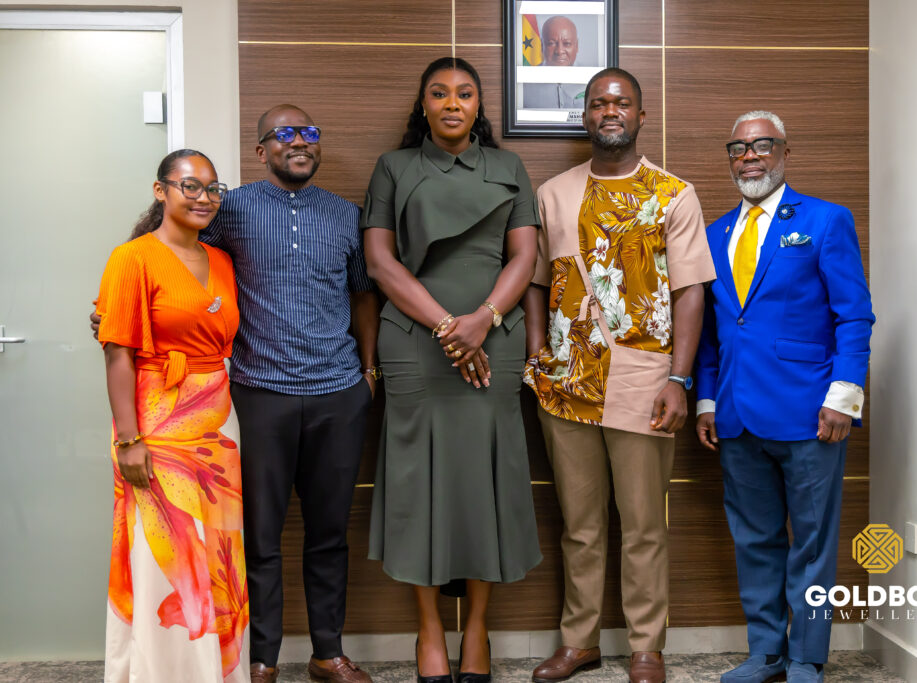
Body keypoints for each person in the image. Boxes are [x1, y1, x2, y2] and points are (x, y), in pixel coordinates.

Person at [94, 106, 379, 683]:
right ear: (261, 150)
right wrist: (110, 311)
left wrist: (368, 372)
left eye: (309, 133)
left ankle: (328, 653)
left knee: (329, 533)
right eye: (284, 134)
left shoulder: (346, 215)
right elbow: (168, 250)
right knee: (257, 536)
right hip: (258, 394)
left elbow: (363, 295)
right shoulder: (233, 209)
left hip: (338, 392)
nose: (299, 142)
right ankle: (260, 660)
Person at [524, 68, 716, 683]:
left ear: (640, 115)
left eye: (622, 102)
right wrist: (537, 355)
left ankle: (646, 648)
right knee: (579, 527)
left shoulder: (674, 194)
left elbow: (690, 292)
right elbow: (535, 283)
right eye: (599, 103)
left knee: (643, 526)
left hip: (645, 383)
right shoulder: (553, 193)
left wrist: (679, 380)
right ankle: (578, 642)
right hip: (566, 383)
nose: (610, 111)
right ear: (585, 115)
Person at [361, 56, 542, 683]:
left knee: (486, 478)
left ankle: (479, 629)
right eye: (438, 94)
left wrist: (482, 320)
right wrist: (448, 326)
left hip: (496, 339)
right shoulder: (394, 167)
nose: (452, 103)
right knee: (417, 482)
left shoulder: (509, 167)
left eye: (464, 94)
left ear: (478, 105)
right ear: (424, 105)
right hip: (415, 343)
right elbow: (380, 263)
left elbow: (524, 258)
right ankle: (430, 630)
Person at [694, 111, 874, 683]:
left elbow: (854, 315)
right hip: (736, 414)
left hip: (810, 412)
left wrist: (844, 397)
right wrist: (706, 401)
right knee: (754, 539)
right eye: (738, 147)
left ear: (784, 152)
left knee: (813, 544)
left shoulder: (825, 220)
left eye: (762, 145)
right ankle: (766, 652)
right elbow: (712, 332)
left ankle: (806, 657)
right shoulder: (714, 234)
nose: (749, 156)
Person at [98, 149, 248, 682]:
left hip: (217, 422)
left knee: (219, 548)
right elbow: (117, 352)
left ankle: (215, 672)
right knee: (163, 550)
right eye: (190, 186)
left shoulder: (222, 261)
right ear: (161, 190)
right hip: (155, 422)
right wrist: (128, 439)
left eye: (213, 188)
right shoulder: (131, 258)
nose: (204, 197)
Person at [522, 16, 586, 110]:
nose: (559, 51)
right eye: (551, 43)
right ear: (542, 46)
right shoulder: (524, 84)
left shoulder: (592, 80)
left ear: (577, 46)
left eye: (567, 43)